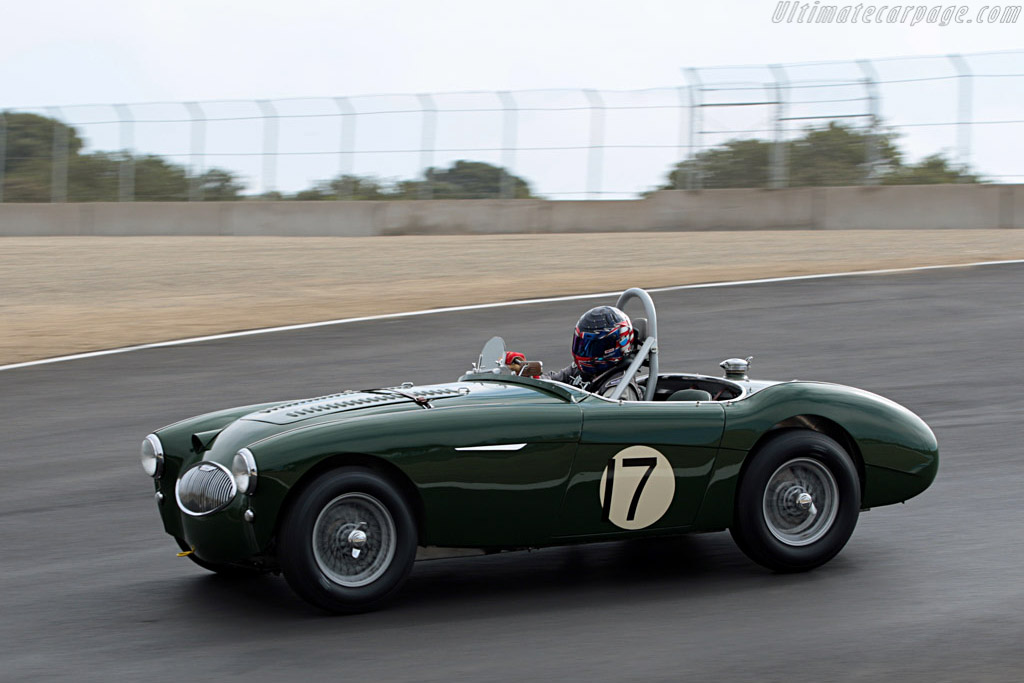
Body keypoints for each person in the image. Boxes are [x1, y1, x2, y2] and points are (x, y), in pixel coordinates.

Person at [506, 305, 642, 400]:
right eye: (582, 344)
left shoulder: (621, 388)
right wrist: (525, 371)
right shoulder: (580, 370)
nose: (584, 351)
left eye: (592, 346)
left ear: (612, 347)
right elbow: (551, 384)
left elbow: (606, 423)